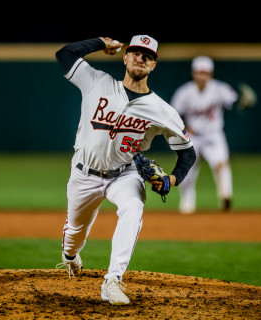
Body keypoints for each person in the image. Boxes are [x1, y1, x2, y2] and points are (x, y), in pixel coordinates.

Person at [55, 35, 196, 305]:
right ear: (125, 57)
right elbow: (65, 55)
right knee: (75, 232)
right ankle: (71, 255)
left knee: (133, 206)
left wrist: (172, 179)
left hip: (125, 173)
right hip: (84, 174)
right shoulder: (97, 81)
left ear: (153, 65)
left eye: (148, 56)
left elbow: (187, 151)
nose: (141, 58)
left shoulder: (162, 110)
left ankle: (113, 280)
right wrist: (99, 42)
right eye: (136, 53)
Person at [170, 56, 242, 213]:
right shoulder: (184, 92)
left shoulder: (220, 88)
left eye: (205, 72)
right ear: (194, 73)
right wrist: (186, 126)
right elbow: (173, 115)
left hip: (213, 135)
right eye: (199, 72)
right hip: (191, 136)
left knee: (221, 165)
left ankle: (226, 198)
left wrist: (243, 102)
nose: (202, 75)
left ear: (210, 73)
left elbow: (235, 100)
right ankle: (187, 201)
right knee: (186, 170)